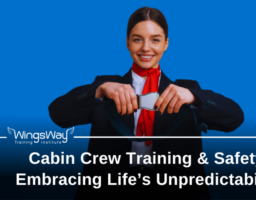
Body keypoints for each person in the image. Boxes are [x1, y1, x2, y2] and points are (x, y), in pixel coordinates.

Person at [49, 7, 244, 200]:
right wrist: (98, 90)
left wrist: (194, 97)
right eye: (137, 39)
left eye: (155, 40)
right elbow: (58, 115)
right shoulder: (106, 86)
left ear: (166, 44)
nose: (145, 48)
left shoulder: (186, 90)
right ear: (127, 43)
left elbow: (234, 119)